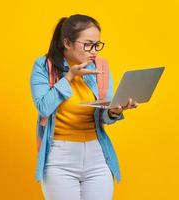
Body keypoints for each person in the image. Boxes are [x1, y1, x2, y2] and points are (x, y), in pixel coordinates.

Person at [30, 14, 139, 200]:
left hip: (97, 156)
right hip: (59, 158)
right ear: (67, 43)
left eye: (97, 45)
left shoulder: (101, 66)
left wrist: (115, 111)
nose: (94, 51)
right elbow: (43, 108)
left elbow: (104, 116)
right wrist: (69, 78)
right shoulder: (45, 66)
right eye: (88, 44)